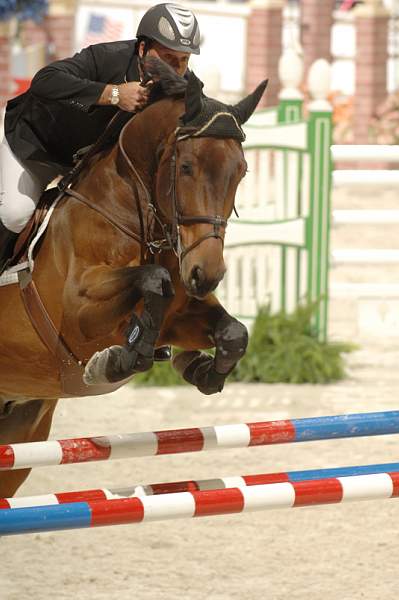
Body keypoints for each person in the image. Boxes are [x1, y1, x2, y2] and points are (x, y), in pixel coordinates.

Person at [0, 2, 200, 275]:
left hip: (85, 166)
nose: (175, 70)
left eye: (183, 60)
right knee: (16, 213)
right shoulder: (107, 57)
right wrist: (113, 94)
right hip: (37, 146)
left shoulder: (184, 86)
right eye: (167, 58)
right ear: (142, 48)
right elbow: (45, 80)